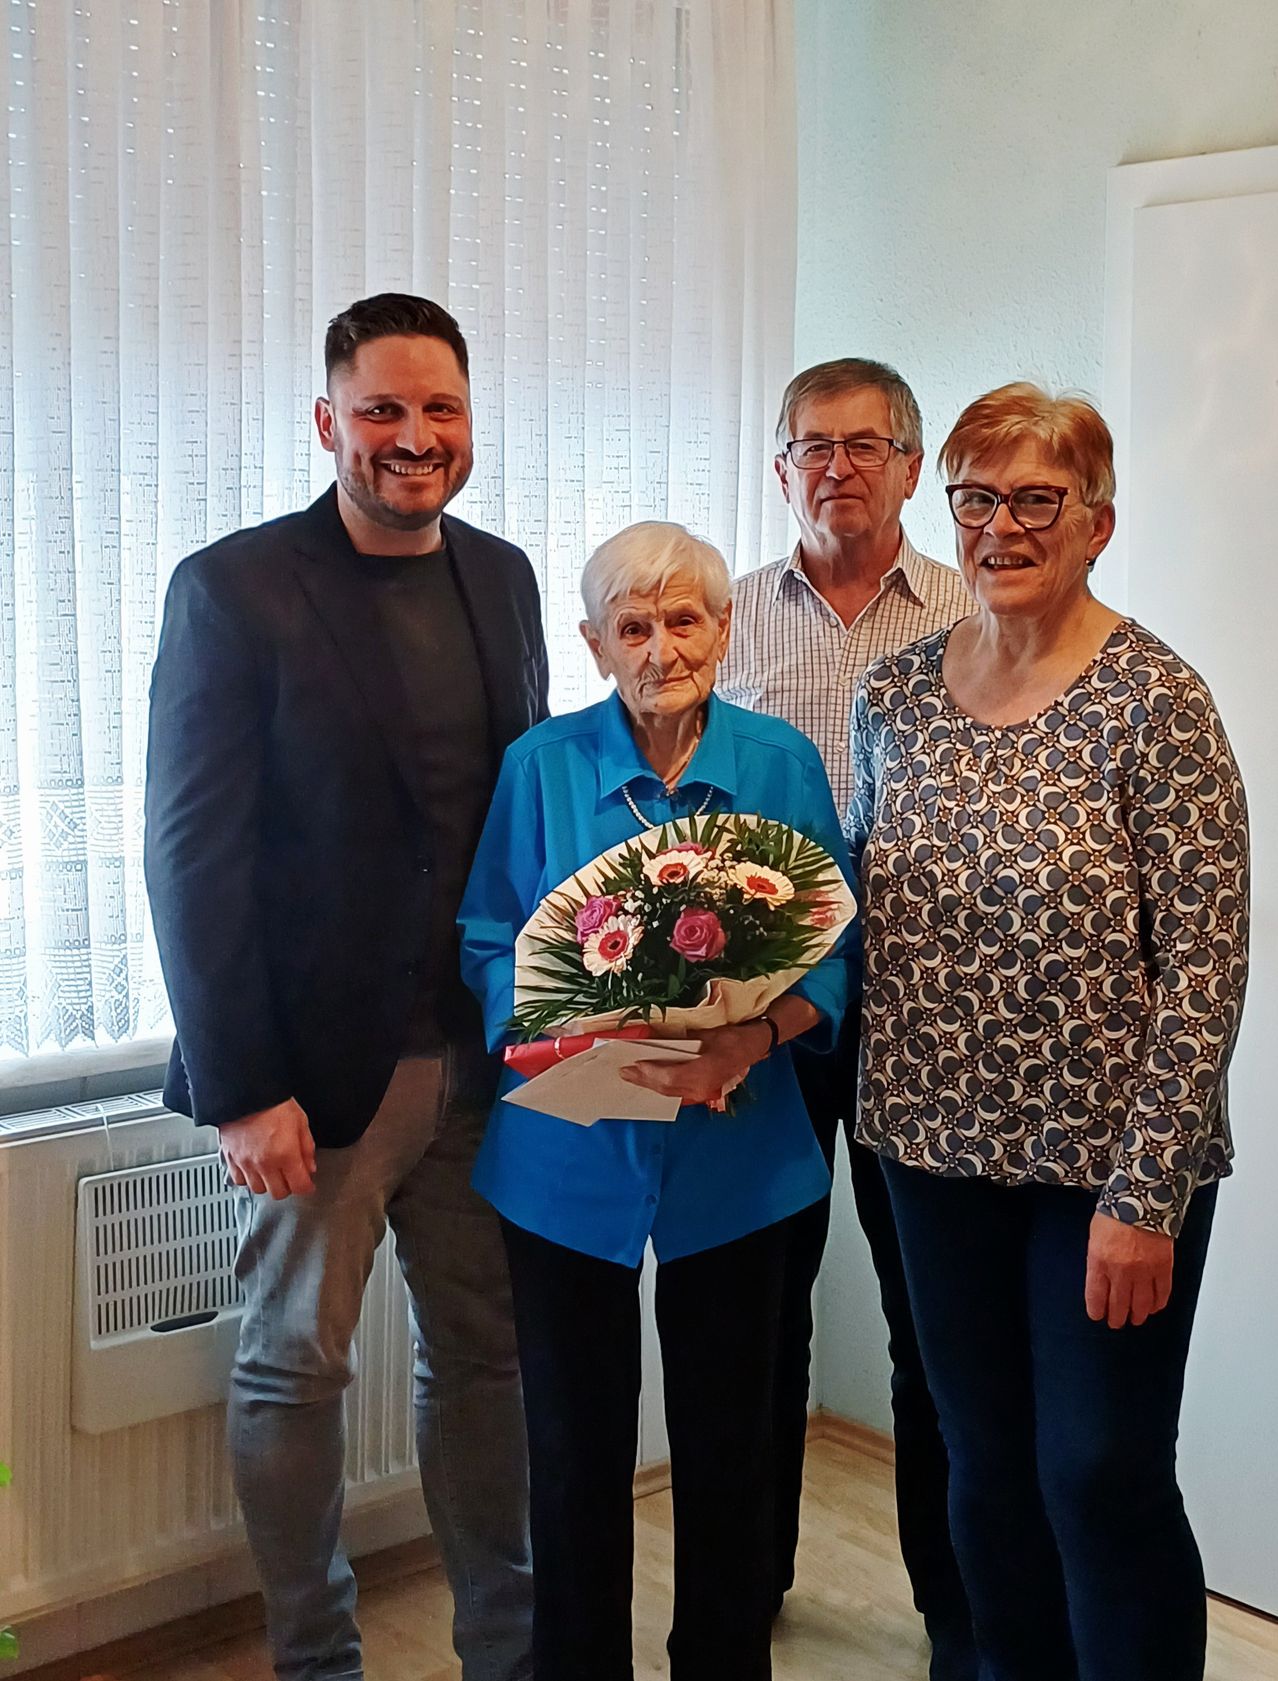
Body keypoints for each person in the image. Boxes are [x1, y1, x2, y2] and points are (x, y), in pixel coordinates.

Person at [144, 293, 547, 1681]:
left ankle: (507, 1648)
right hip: (313, 1081)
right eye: (381, 409)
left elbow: (516, 812)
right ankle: (316, 1659)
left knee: (486, 1361)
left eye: (440, 409)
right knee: (291, 1368)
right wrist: (243, 1086)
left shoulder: (503, 577)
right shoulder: (235, 587)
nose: (413, 437)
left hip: (486, 1063)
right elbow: (191, 854)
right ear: (328, 421)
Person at [849, 382, 1249, 1681]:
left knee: (1098, 1470)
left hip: (1106, 1171)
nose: (1001, 526)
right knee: (983, 1463)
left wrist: (1147, 1195)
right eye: (975, 498)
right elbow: (863, 906)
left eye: (1036, 498)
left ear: (1096, 523)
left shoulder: (1155, 701)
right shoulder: (895, 696)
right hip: (928, 1152)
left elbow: (1204, 968)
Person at [458, 521, 851, 1681]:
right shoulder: (540, 767)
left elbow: (835, 948)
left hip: (740, 1152)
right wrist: (550, 1028)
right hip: (566, 1155)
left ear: (725, 630)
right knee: (574, 1450)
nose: (661, 647)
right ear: (594, 643)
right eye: (633, 625)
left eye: (684, 619)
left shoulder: (781, 763)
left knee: (731, 1448)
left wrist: (753, 1033)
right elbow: (488, 937)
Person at [718, 357, 975, 1674]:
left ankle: (955, 1609)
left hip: (921, 1016)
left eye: (865, 444)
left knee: (931, 1326)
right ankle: (748, 1587)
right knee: (760, 1316)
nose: (837, 466)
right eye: (811, 444)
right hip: (765, 1018)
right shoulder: (723, 621)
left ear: (910, 466)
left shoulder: (974, 615)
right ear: (780, 468)